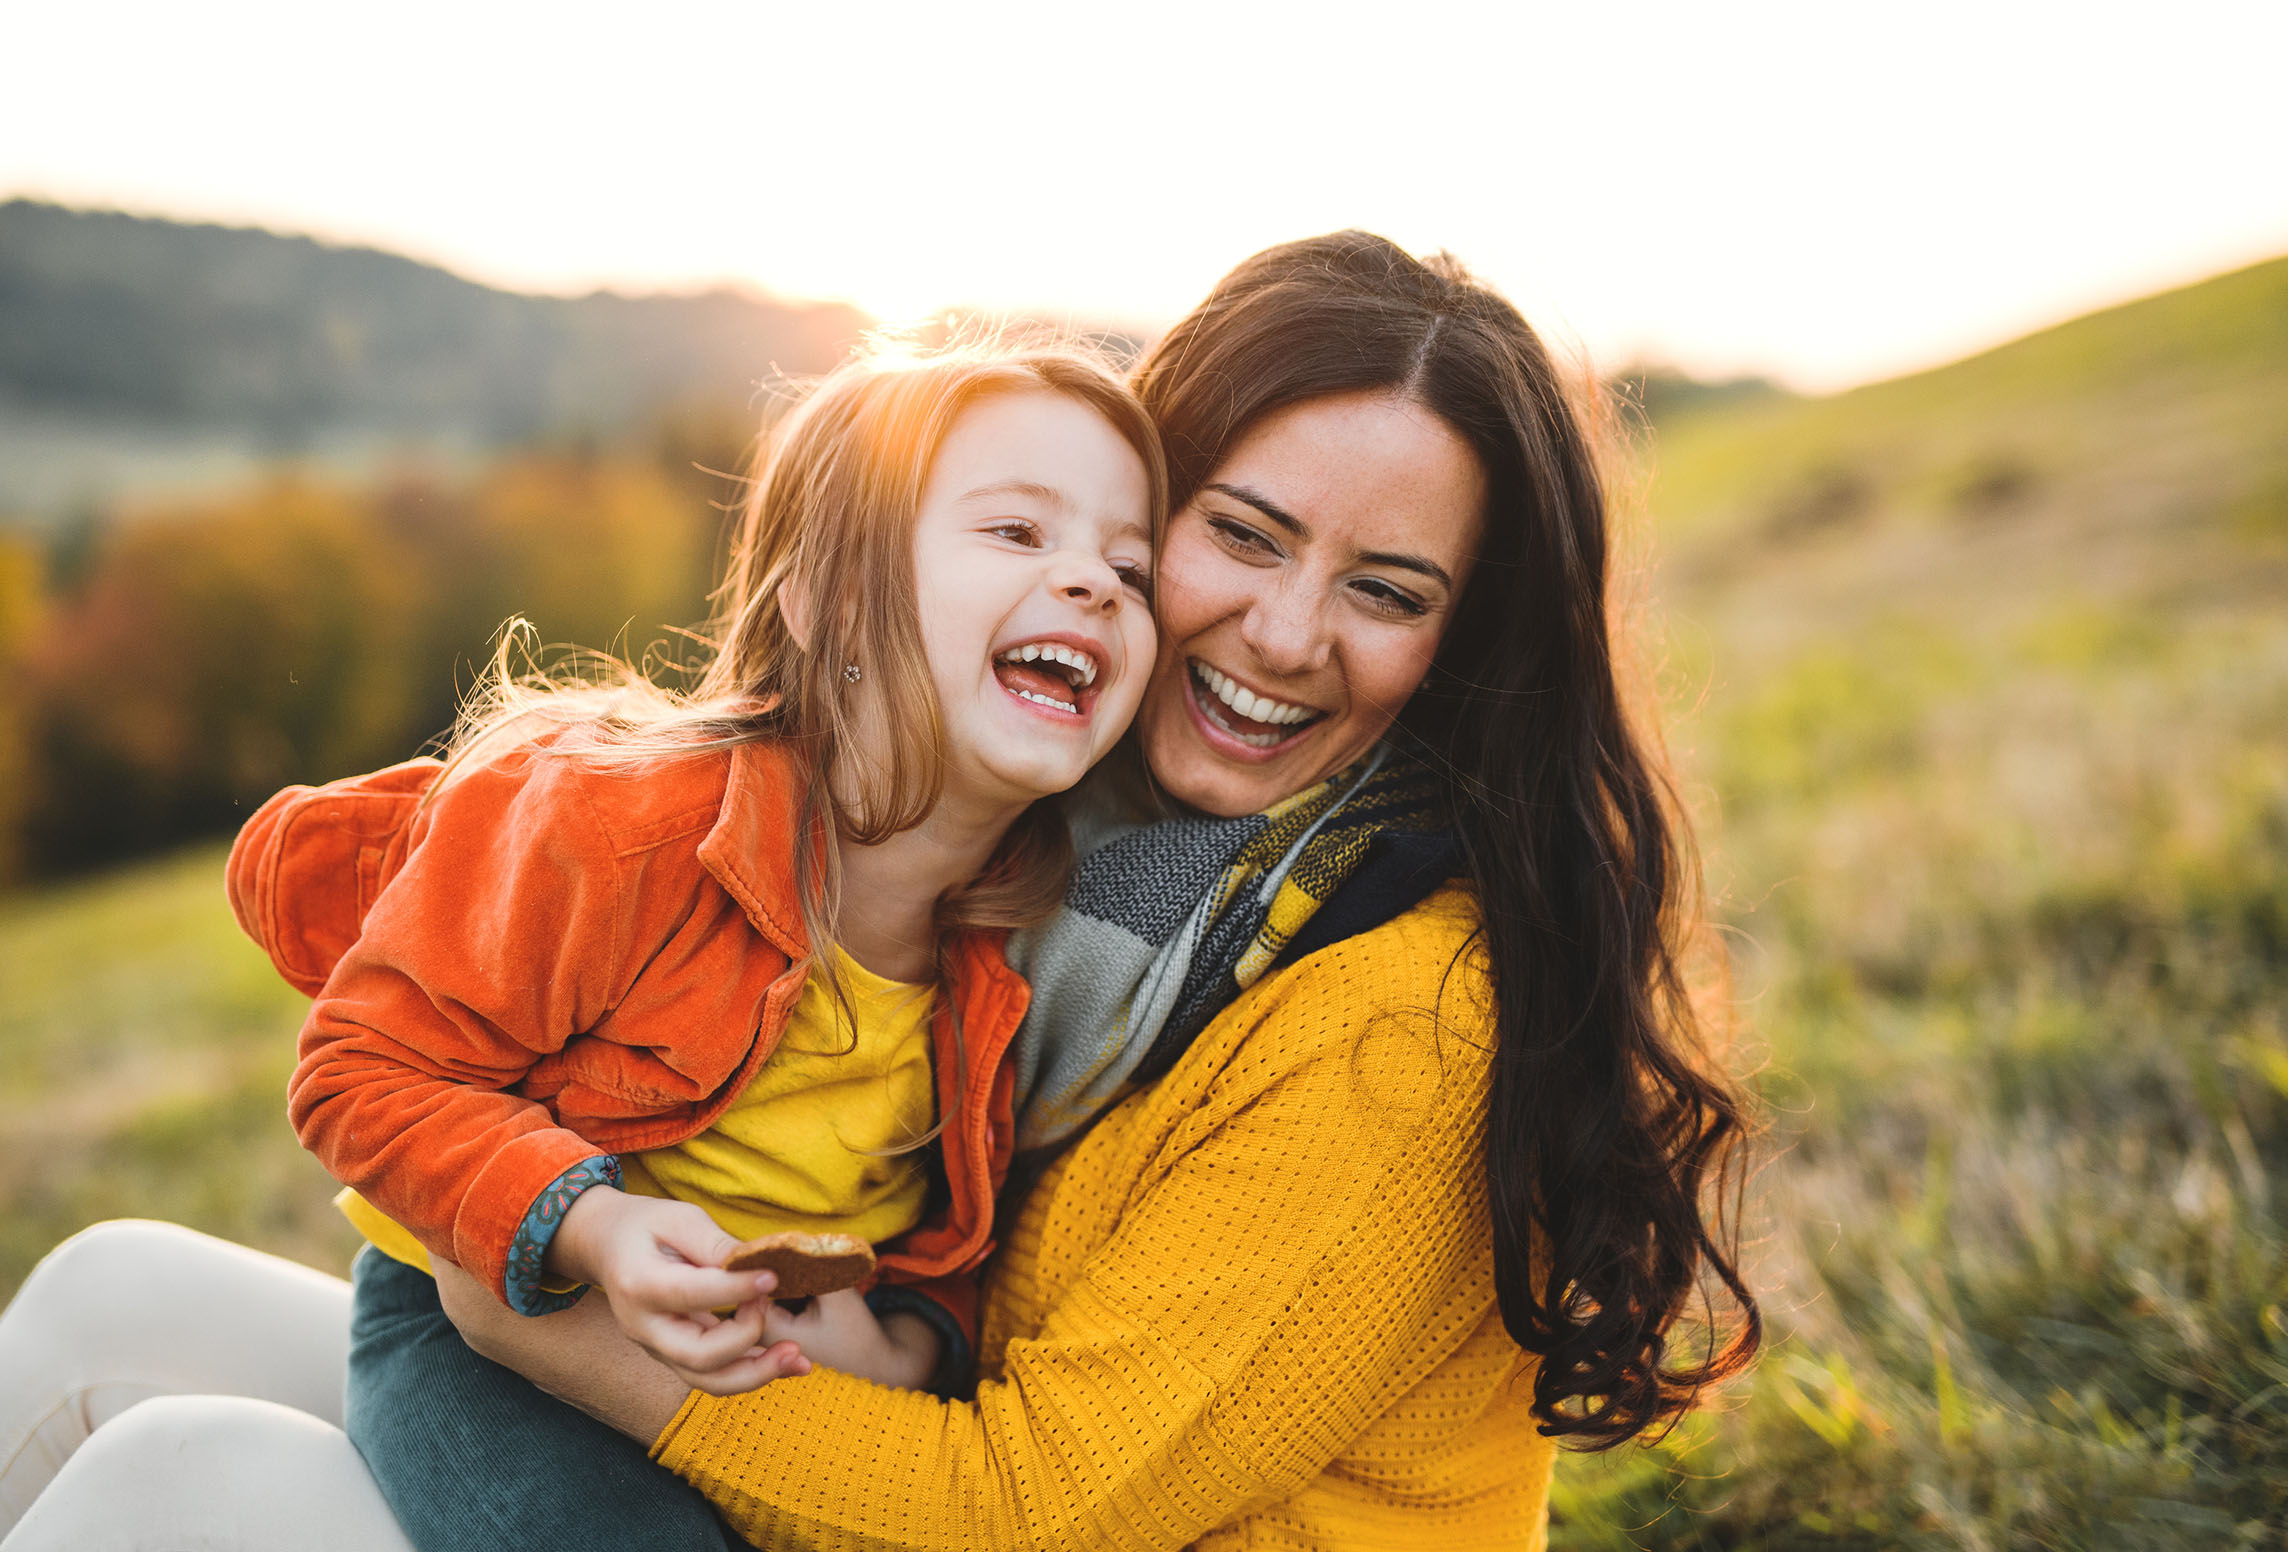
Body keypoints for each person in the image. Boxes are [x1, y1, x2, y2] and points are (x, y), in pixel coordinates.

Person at [0, 232, 1759, 1552]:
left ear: (1468, 643)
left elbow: (1037, 1496)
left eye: (1384, 587)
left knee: (183, 1483)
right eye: (1237, 533)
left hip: (965, 1512)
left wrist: (537, 1298)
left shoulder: (1390, 1003)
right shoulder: (1070, 865)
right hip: (811, 1415)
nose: (1286, 634)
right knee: (108, 1289)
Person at [0, 336, 1166, 1551]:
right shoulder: (620, 822)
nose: (1091, 581)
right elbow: (361, 1070)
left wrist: (900, 1340)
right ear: (824, 606)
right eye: (1019, 535)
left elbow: (941, 1235)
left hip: (725, 1390)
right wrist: (592, 1228)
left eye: (1129, 567)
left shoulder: (1017, 945)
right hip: (493, 1317)